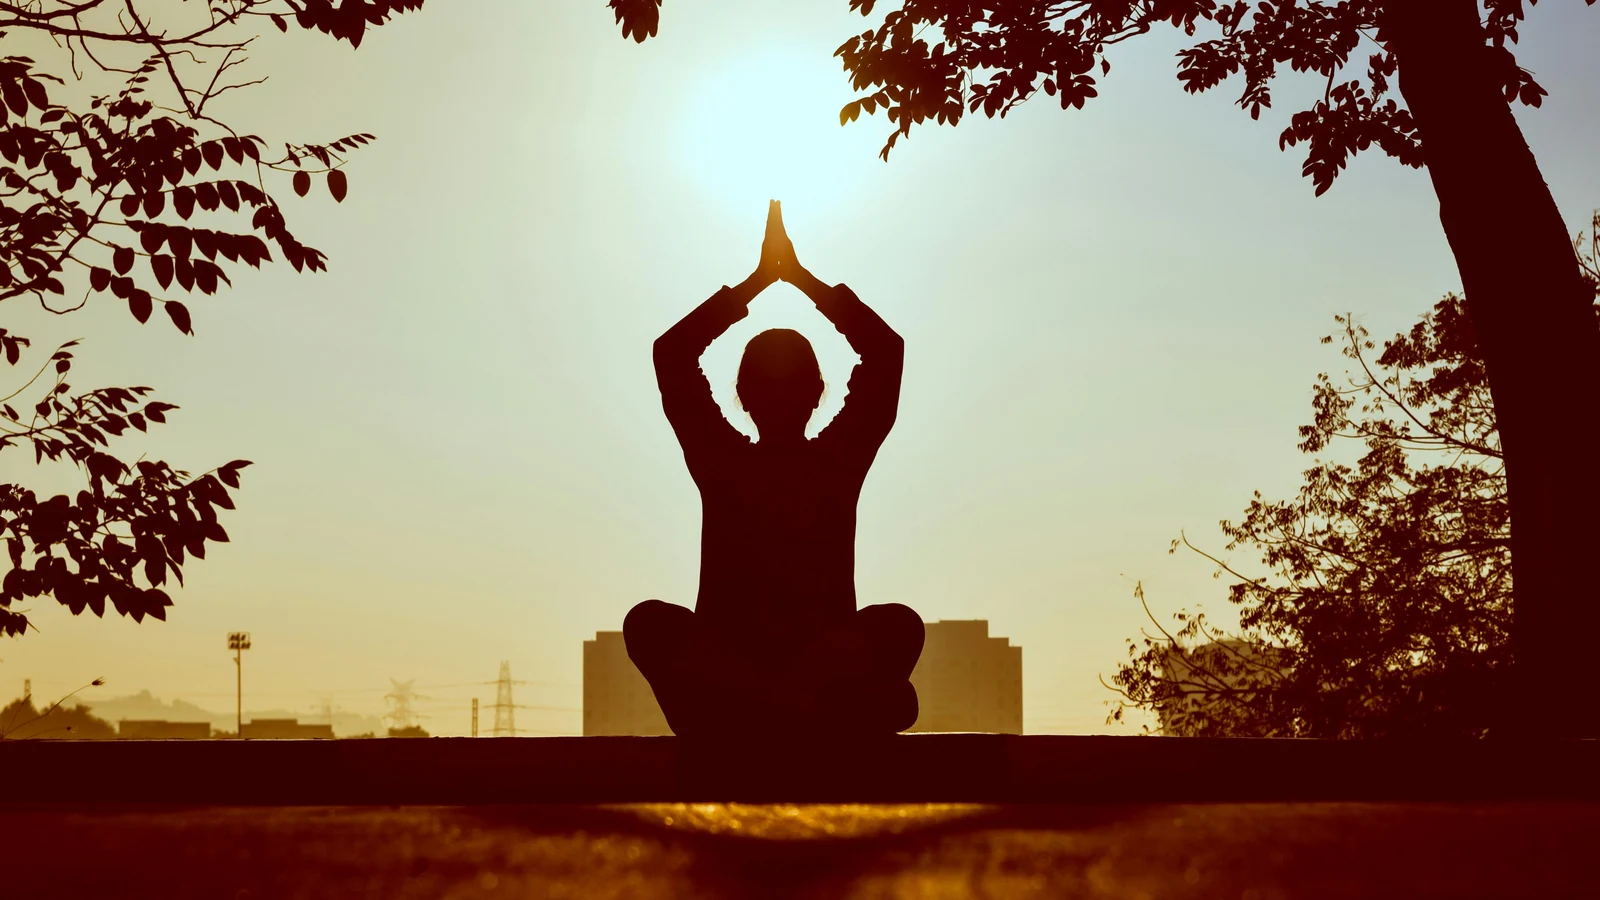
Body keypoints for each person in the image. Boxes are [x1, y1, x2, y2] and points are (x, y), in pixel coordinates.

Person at [625, 201, 924, 737]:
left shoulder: (814, 460)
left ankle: (775, 705)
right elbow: (670, 355)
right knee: (647, 622)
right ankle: (794, 707)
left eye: (789, 384)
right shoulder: (739, 460)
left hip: (778, 679)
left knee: (900, 625)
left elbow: (886, 352)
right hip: (750, 675)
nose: (782, 396)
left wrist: (774, 281)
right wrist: (782, 281)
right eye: (771, 383)